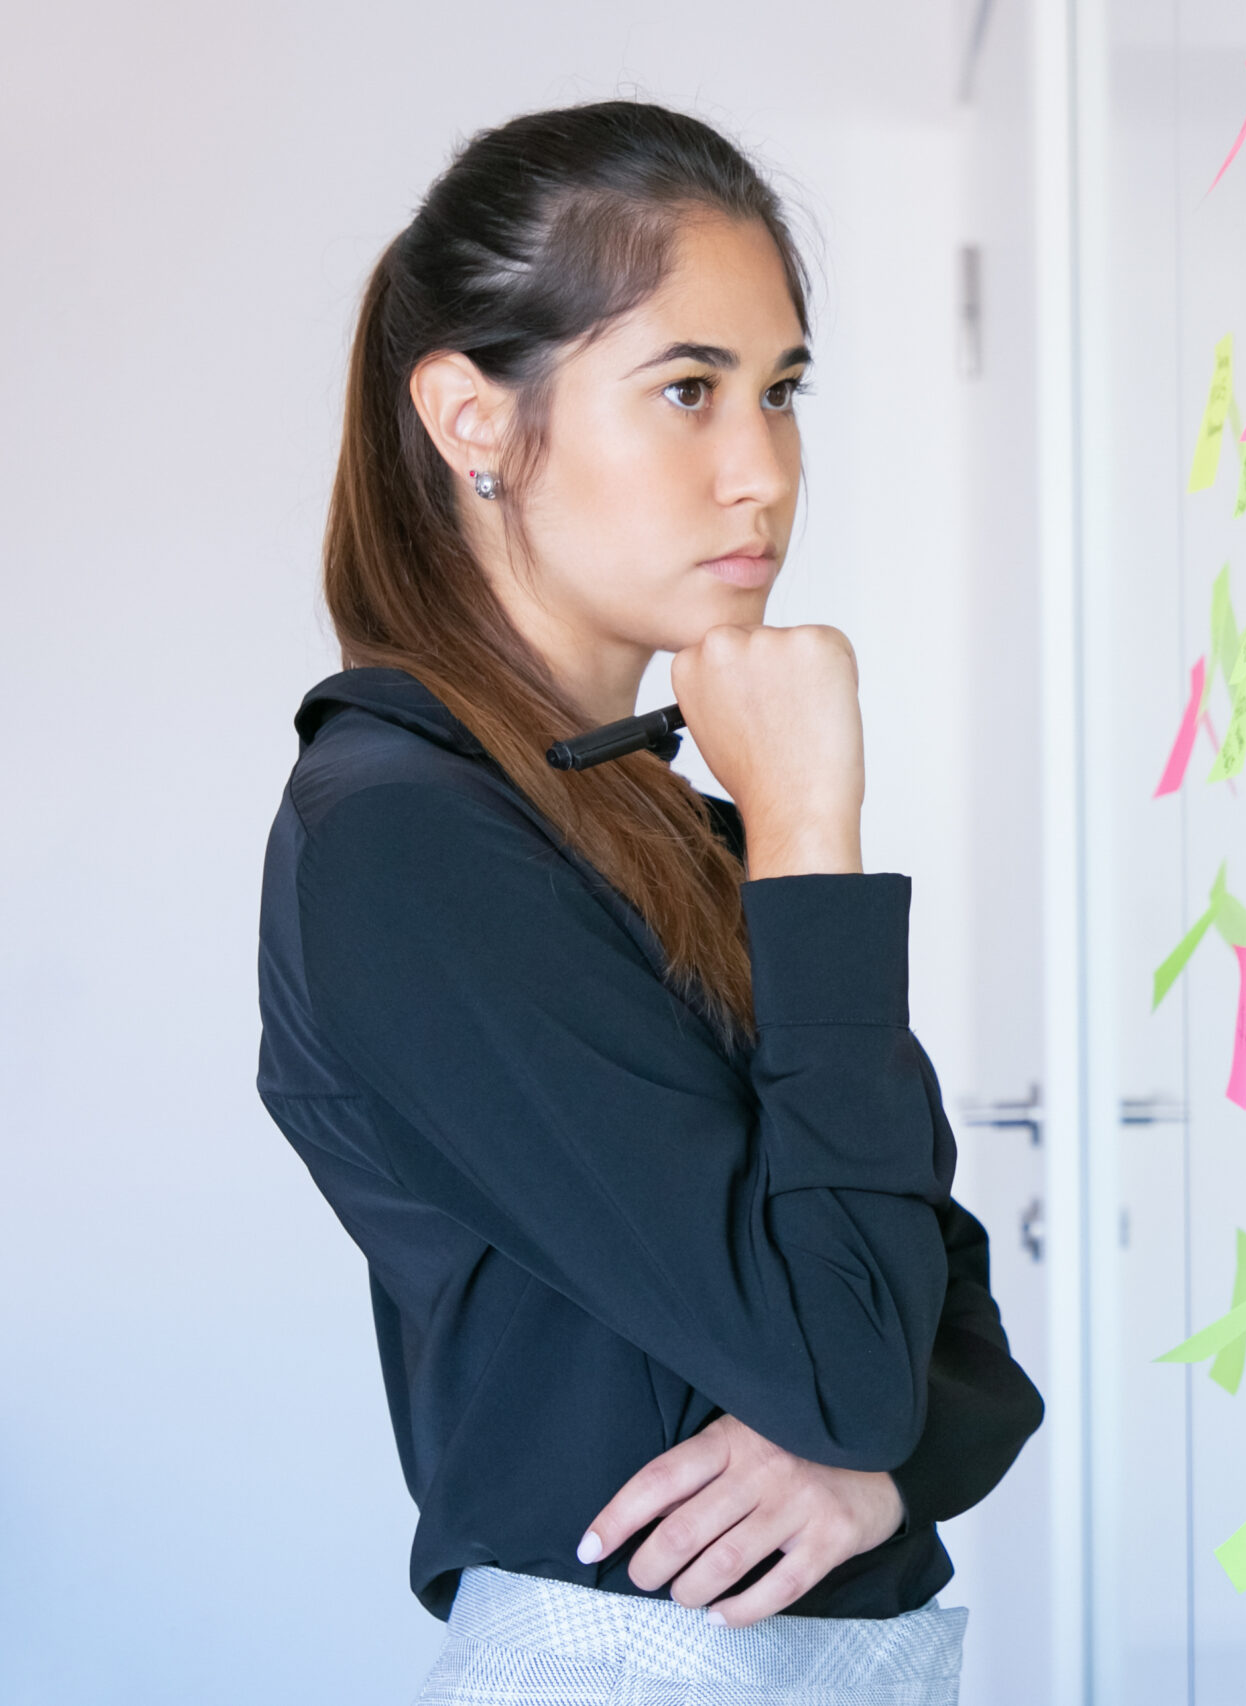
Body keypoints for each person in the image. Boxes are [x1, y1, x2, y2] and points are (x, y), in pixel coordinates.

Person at [256, 102, 1041, 1706]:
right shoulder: (402, 833)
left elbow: (943, 1320)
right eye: (687, 389)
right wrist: (812, 828)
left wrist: (877, 1468)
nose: (761, 470)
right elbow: (846, 1357)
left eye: (781, 391)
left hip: (833, 1656)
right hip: (637, 1665)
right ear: (474, 419)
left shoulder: (660, 820)